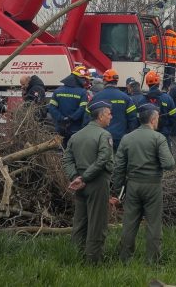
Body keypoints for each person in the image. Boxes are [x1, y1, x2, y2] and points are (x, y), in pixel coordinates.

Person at [112, 104, 176, 263]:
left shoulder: (127, 138)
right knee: (154, 224)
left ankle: (125, 258)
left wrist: (118, 189)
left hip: (133, 185)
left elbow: (118, 167)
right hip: (153, 185)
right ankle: (153, 260)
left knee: (129, 223)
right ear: (153, 119)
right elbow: (169, 164)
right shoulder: (158, 138)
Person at [62, 100, 115, 263]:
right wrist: (85, 178)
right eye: (109, 114)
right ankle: (93, 260)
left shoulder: (76, 136)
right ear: (101, 116)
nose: (111, 117)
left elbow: (67, 160)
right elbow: (103, 159)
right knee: (97, 222)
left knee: (80, 221)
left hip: (79, 183)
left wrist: (75, 177)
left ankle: (74, 256)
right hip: (97, 182)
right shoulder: (104, 135)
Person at [139, 71, 176, 161]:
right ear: (159, 82)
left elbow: (138, 119)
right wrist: (168, 128)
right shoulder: (167, 98)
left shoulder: (142, 100)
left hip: (146, 136)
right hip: (163, 134)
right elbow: (175, 117)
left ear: (147, 83)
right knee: (165, 160)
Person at [94, 70, 137, 149]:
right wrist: (129, 135)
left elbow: (88, 117)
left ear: (104, 81)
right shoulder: (126, 98)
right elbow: (132, 118)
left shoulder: (96, 97)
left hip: (100, 137)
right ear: (116, 81)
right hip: (120, 138)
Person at [49, 68, 91, 145]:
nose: (85, 81)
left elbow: (52, 108)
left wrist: (61, 118)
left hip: (60, 128)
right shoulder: (82, 92)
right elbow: (82, 109)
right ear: (78, 78)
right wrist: (71, 118)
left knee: (61, 149)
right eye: (84, 79)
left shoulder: (58, 91)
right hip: (76, 128)